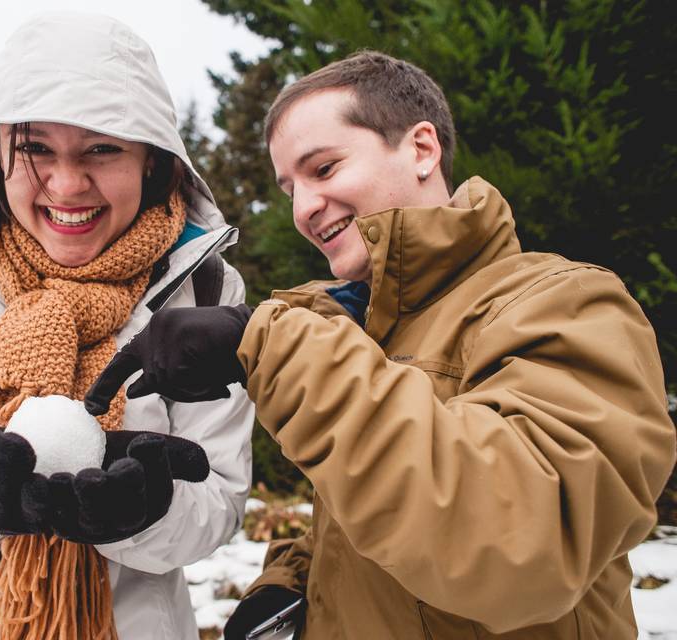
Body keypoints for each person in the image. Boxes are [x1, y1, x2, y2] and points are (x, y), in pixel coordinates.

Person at [84, 50, 677, 638]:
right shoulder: (357, 324)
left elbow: (521, 542)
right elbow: (379, 515)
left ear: (422, 149)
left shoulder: (569, 303)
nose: (304, 208)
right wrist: (291, 582)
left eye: (323, 169)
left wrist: (274, 344)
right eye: (288, 187)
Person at [0, 12, 254, 640]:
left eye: (103, 147)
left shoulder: (203, 290)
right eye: (35, 148)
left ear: (151, 160)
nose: (66, 185)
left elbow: (221, 501)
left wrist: (146, 512)